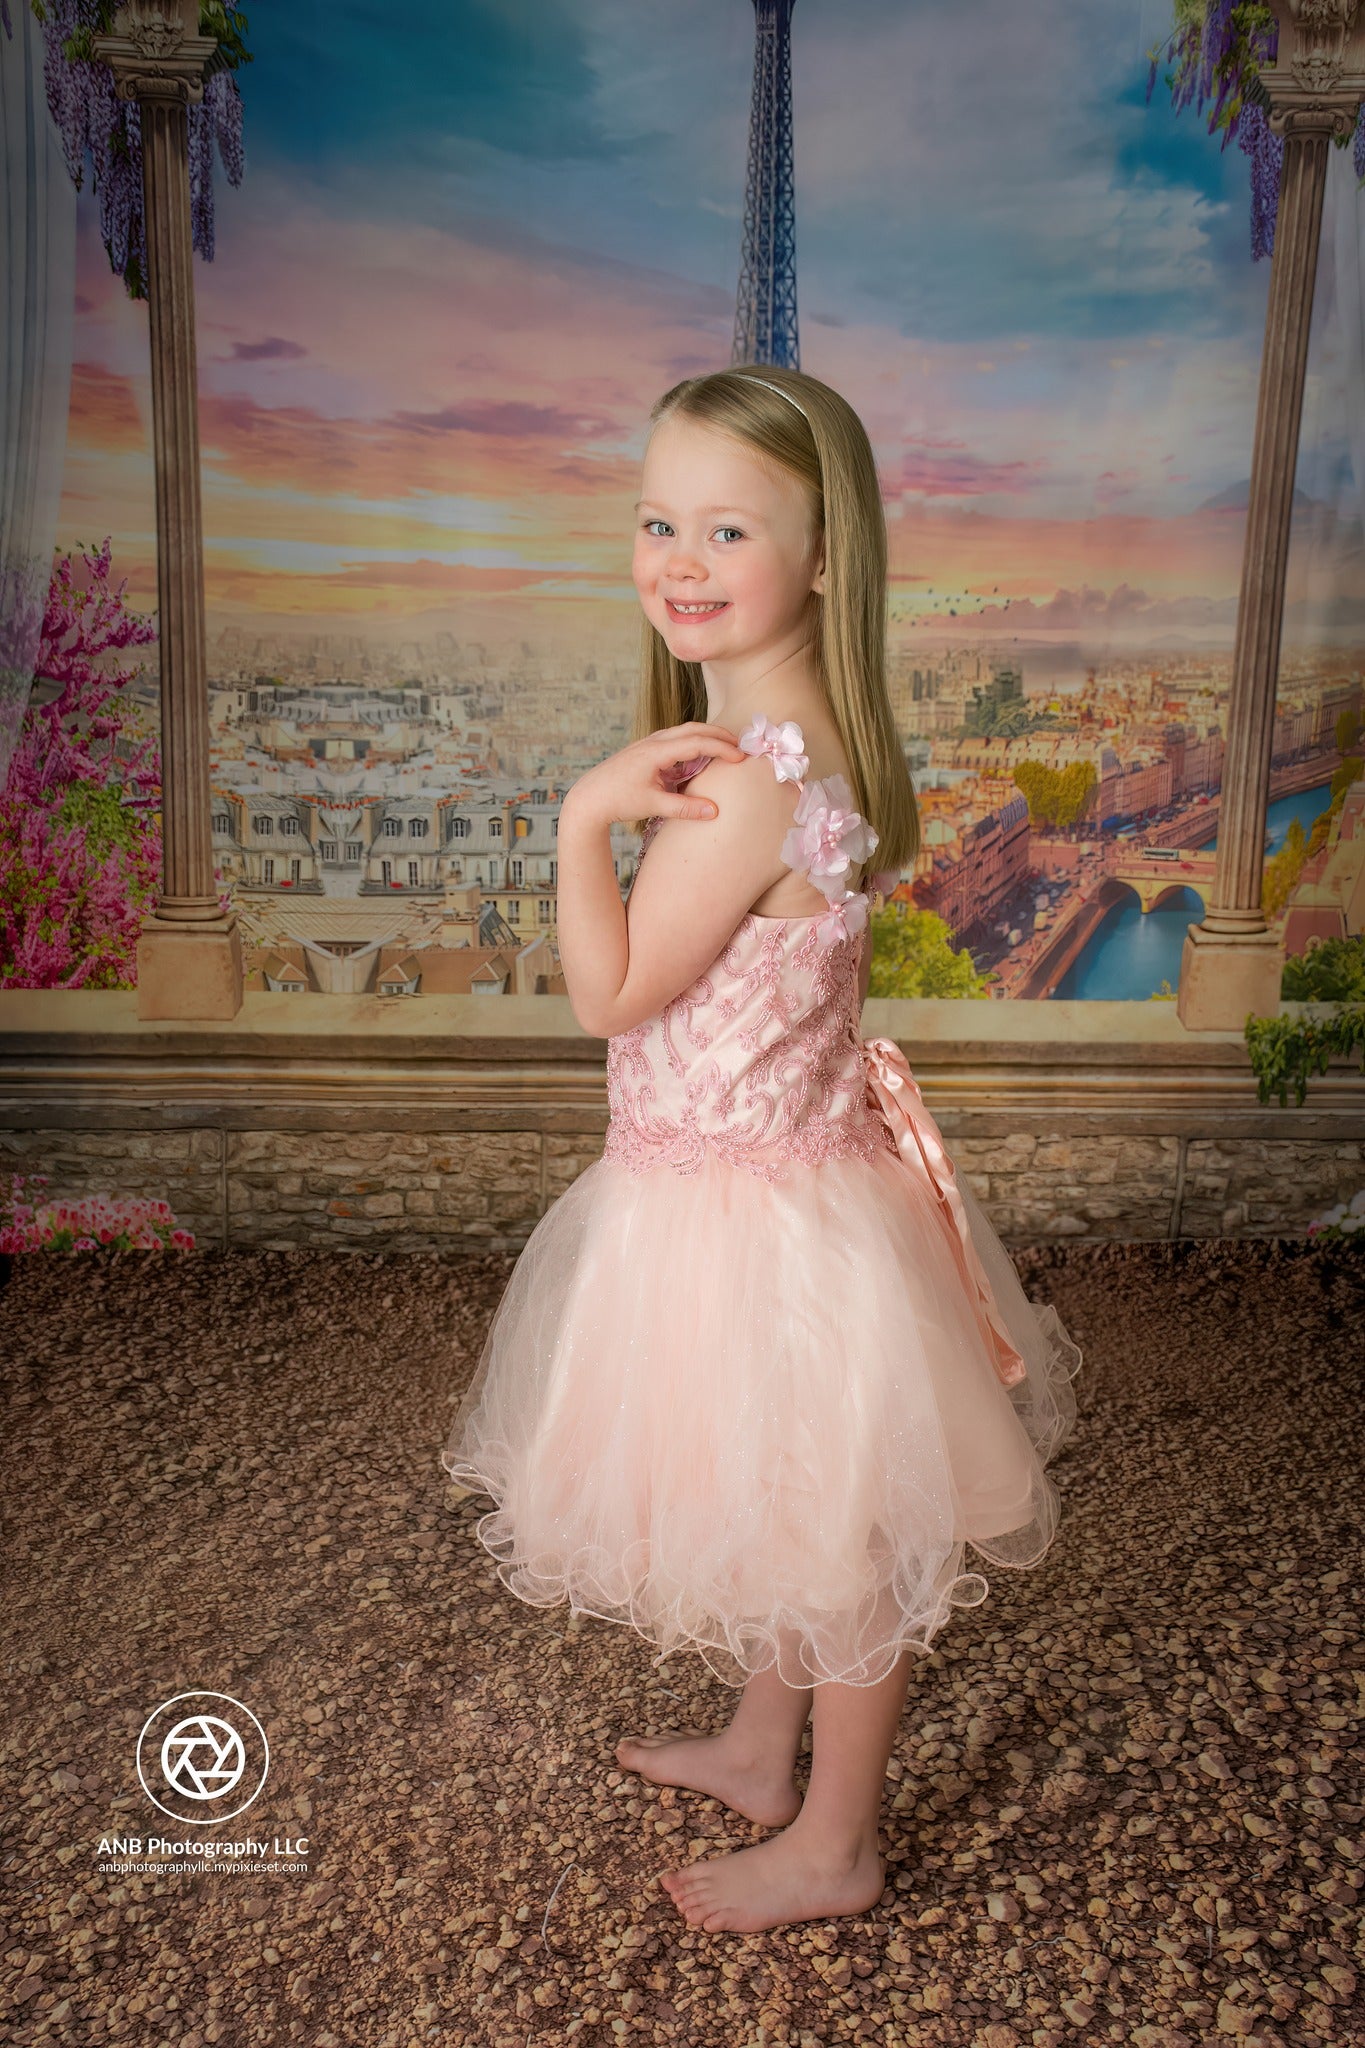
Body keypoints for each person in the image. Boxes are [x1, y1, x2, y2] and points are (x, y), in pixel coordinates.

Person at [440, 365, 1083, 1935]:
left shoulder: (738, 784)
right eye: (657, 521)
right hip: (779, 1184)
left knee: (833, 1529)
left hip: (747, 1213)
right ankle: (757, 1745)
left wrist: (578, 818)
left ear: (821, 557)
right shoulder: (781, 744)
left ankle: (835, 1842)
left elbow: (609, 995)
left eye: (727, 529)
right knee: (789, 1494)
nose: (679, 560)